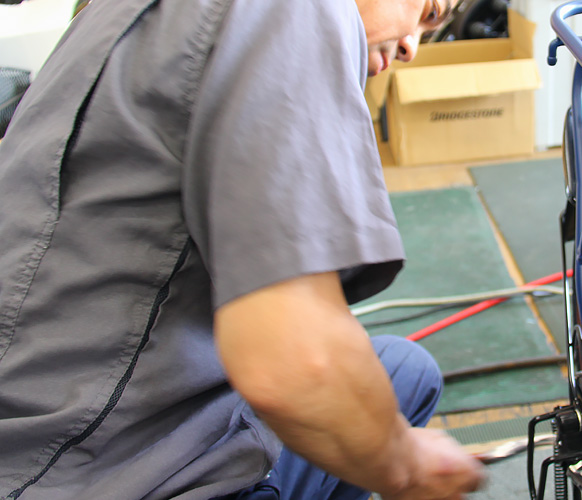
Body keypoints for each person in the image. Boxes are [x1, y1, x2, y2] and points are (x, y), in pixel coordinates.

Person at [0, 0, 484, 498]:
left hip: (41, 401)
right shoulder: (296, 13)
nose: (411, 47)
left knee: (405, 370)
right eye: (429, 9)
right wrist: (403, 463)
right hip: (91, 469)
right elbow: (290, 367)